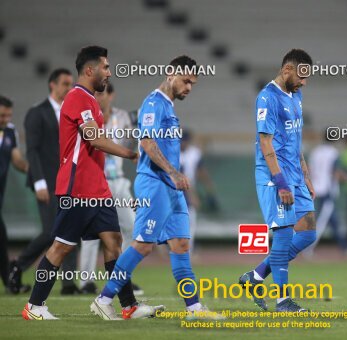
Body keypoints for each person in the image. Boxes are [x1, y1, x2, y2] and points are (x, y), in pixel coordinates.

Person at [22, 46, 163, 320]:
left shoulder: (90, 101)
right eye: (106, 67)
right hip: (78, 187)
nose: (109, 73)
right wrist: (132, 153)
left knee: (113, 241)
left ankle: (128, 305)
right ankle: (34, 306)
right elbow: (94, 139)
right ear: (90, 70)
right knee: (61, 247)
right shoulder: (77, 98)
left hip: (97, 187)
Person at [92, 55, 221, 320]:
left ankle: (194, 308)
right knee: (143, 245)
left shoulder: (169, 107)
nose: (188, 87)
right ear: (170, 74)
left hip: (171, 188)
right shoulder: (153, 103)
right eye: (186, 81)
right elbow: (148, 145)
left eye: (193, 84)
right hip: (155, 183)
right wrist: (174, 173)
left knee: (182, 244)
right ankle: (103, 299)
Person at [239, 49, 317, 312]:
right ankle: (283, 300)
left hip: (295, 173)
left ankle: (256, 275)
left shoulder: (296, 95)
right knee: (283, 235)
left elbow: (296, 140)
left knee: (307, 232)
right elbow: (265, 142)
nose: (304, 83)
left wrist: (305, 175)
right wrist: (281, 182)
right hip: (276, 176)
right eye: (301, 77)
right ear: (287, 70)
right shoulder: (267, 98)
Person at [9, 69, 81, 295]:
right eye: (65, 84)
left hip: (70, 181)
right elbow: (32, 150)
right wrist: (39, 182)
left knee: (72, 229)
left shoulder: (72, 112)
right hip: (47, 182)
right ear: (52, 85)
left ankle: (68, 284)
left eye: (71, 84)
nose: (69, 88)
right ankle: (18, 265)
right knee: (52, 230)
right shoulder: (37, 113)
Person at [79, 82, 143, 295]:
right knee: (91, 233)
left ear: (112, 95)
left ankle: (122, 278)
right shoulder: (88, 116)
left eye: (102, 93)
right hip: (94, 181)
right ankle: (86, 281)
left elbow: (133, 142)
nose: (98, 97)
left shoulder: (122, 117)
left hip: (118, 180)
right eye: (96, 93)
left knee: (131, 228)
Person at [303, 130, 347, 257]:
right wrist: (346, 177)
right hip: (327, 191)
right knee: (321, 221)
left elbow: (308, 169)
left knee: (331, 220)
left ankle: (345, 247)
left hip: (314, 189)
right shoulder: (333, 153)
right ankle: (307, 248)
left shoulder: (315, 151)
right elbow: (334, 172)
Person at [0, 96, 28, 292]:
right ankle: (10, 282)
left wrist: (32, 171)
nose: (6, 119)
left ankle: (9, 282)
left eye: (9, 115)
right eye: (2, 115)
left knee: (1, 238)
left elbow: (17, 160)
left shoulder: (10, 132)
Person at [179, 129, 219, 252]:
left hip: (188, 188)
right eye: (181, 141)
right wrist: (193, 196)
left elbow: (200, 171)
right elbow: (181, 177)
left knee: (190, 221)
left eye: (184, 141)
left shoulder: (194, 153)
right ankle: (170, 250)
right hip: (173, 190)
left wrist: (209, 187)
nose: (182, 143)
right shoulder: (172, 152)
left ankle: (187, 251)